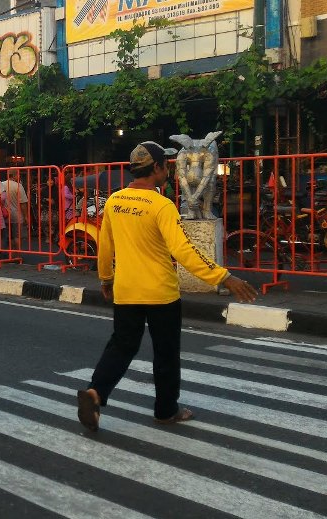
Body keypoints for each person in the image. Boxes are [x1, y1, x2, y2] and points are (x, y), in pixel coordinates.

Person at [76, 141, 258, 432]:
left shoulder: (114, 201)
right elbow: (183, 250)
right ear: (158, 168)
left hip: (126, 289)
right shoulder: (162, 205)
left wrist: (106, 279)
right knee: (166, 353)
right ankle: (165, 411)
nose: (168, 172)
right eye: (166, 166)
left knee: (121, 346)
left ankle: (96, 392)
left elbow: (106, 246)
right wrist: (224, 276)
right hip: (160, 293)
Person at [1, 170, 27, 251]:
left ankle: (10, 254)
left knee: (9, 236)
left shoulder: (1, 185)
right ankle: (17, 255)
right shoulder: (18, 186)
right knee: (17, 236)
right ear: (15, 175)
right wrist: (26, 216)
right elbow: (23, 203)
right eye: (18, 174)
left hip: (5, 215)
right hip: (17, 215)